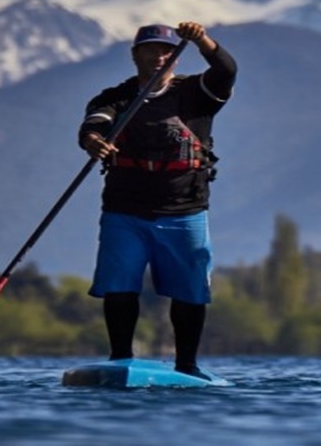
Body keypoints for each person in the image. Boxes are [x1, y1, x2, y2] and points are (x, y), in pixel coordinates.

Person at [78, 21, 237, 376]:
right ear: (135, 56)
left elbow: (227, 69)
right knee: (119, 288)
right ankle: (120, 360)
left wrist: (202, 41)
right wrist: (92, 139)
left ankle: (187, 366)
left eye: (166, 51)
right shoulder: (114, 98)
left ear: (175, 58)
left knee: (190, 291)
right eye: (150, 50)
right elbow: (94, 123)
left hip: (185, 210)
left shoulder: (199, 93)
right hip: (124, 210)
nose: (159, 57)